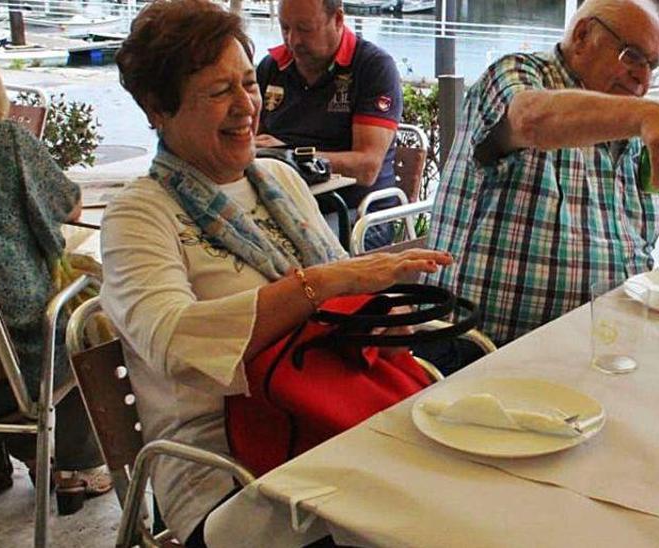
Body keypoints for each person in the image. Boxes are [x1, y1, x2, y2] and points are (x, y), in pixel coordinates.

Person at [105, 1, 450, 544]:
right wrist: (322, 285)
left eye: (247, 84)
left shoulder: (278, 180)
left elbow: (341, 312)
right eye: (219, 92)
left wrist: (379, 317)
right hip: (225, 468)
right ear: (157, 109)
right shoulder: (139, 215)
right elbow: (173, 339)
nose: (246, 106)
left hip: (332, 419)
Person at [425, 0, 659, 344]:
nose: (641, 77)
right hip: (485, 347)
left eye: (652, 65)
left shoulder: (631, 122)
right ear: (582, 36)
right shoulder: (518, 74)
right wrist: (647, 116)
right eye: (632, 56)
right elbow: (530, 119)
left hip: (606, 338)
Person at [0, 20, 110, 497]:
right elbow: (69, 205)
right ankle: (78, 466)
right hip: (12, 368)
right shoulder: (4, 143)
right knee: (88, 305)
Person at [255, 0, 404, 248]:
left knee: (286, 252)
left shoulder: (372, 67)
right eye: (285, 28)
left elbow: (367, 167)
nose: (293, 41)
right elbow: (252, 143)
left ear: (337, 19)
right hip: (284, 208)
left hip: (355, 214)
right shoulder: (271, 67)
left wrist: (288, 156)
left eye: (305, 28)